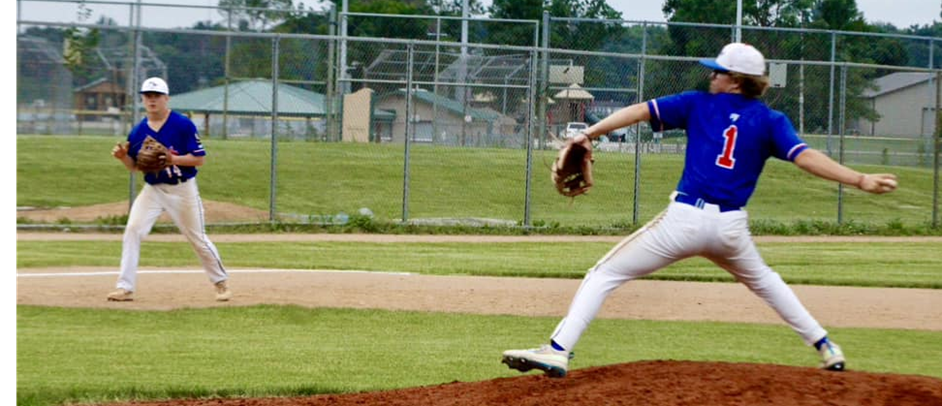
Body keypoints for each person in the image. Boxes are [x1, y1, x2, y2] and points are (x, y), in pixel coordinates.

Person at [502, 43, 898, 378]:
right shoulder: (771, 120)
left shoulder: (697, 105)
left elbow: (639, 111)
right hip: (730, 227)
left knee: (604, 273)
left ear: (736, 80)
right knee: (765, 282)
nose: (712, 77)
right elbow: (805, 157)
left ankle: (557, 348)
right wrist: (860, 180)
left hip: (685, 220)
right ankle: (826, 346)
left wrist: (589, 132)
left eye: (719, 72)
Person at [108, 77, 231, 302]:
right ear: (143, 99)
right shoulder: (137, 132)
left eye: (156, 96)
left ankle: (220, 282)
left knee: (197, 238)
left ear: (166, 99)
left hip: (183, 189)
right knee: (133, 230)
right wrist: (123, 157)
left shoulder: (182, 124)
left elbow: (199, 159)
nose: (152, 100)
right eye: (148, 96)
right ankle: (125, 287)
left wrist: (173, 159)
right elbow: (135, 167)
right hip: (153, 189)